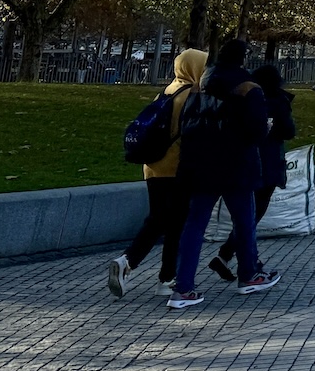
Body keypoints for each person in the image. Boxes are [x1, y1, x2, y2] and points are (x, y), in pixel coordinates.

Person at [167, 39, 278, 309]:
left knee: (195, 225)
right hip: (236, 165)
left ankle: (183, 288)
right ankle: (249, 274)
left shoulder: (199, 85)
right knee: (244, 221)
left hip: (200, 164)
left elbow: (187, 124)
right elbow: (256, 130)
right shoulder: (248, 87)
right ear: (242, 59)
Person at [109, 47, 206, 297]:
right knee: (174, 224)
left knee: (161, 219)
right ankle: (134, 264)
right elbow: (192, 135)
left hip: (153, 167)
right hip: (176, 168)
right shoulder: (191, 95)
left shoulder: (166, 91)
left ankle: (162, 277)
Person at [212, 64, 296, 278]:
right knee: (252, 215)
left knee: (247, 214)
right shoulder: (278, 101)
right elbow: (288, 131)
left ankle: (229, 255)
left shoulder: (244, 99)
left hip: (246, 160)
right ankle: (237, 258)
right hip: (268, 163)